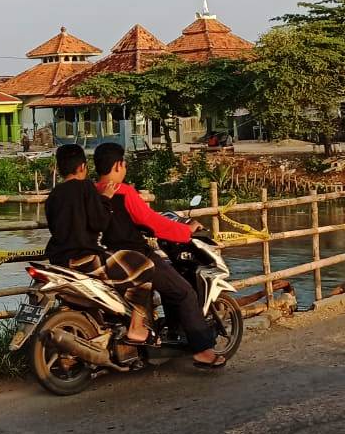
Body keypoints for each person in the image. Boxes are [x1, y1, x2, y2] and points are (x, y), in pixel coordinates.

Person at [93, 141, 226, 370]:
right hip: (135, 257)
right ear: (118, 166)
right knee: (183, 292)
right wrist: (186, 230)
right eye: (123, 164)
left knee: (169, 287)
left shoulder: (94, 192)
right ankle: (203, 351)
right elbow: (152, 222)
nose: (124, 169)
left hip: (107, 256)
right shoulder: (125, 192)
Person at [43, 144, 155, 346]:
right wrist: (105, 199)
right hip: (85, 260)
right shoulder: (85, 187)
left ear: (59, 168)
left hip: (58, 259)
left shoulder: (53, 195)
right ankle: (136, 328)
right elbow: (99, 222)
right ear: (83, 168)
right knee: (144, 266)